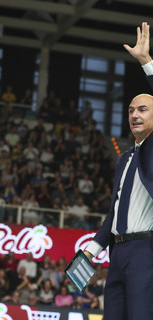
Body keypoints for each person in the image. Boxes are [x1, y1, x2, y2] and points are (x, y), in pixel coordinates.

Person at [84, 93, 153, 319]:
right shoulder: (123, 159)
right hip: (118, 252)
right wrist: (91, 251)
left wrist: (146, 62)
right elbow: (114, 212)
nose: (135, 115)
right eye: (131, 111)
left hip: (145, 250)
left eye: (142, 110)